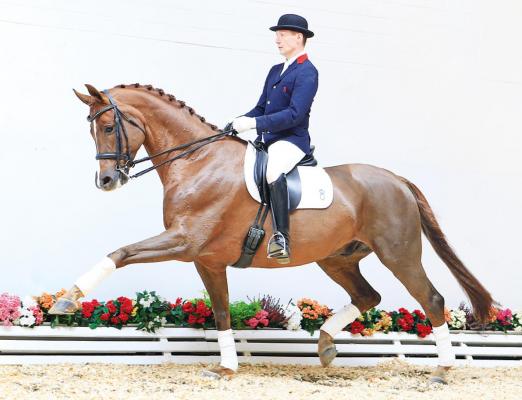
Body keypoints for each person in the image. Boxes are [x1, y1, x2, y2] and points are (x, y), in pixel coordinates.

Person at [230, 14, 319, 264]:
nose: (276, 40)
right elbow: (261, 108)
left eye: (282, 35)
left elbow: (294, 114)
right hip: (267, 139)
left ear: (298, 37)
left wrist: (255, 123)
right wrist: (240, 121)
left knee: (272, 171)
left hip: (291, 140)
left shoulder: (307, 72)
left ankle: (281, 237)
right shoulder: (275, 70)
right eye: (276, 35)